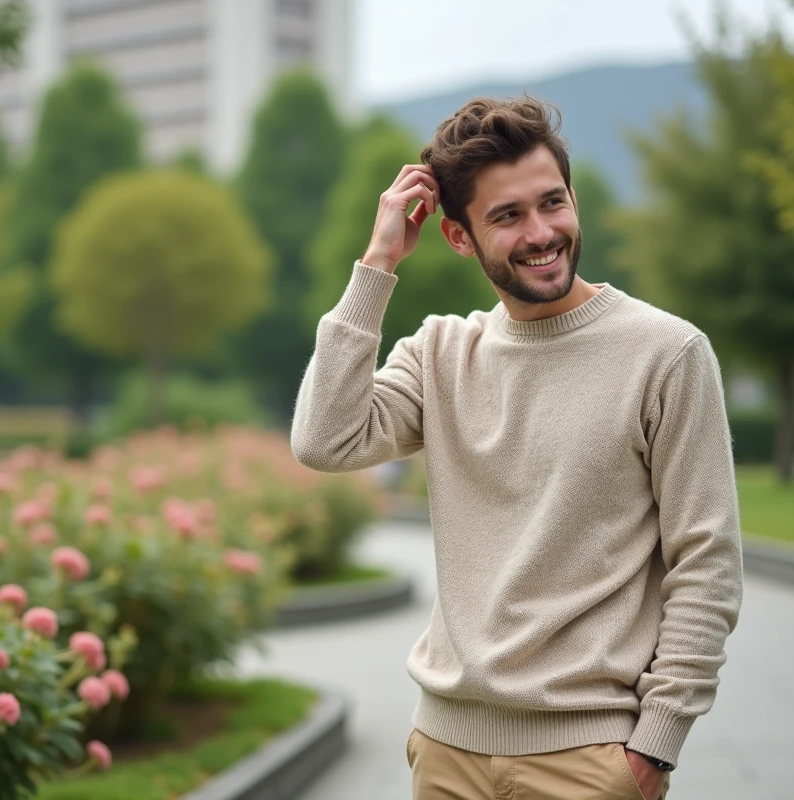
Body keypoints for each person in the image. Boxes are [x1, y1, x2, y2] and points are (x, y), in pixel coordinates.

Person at [291, 96, 743, 800]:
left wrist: (655, 745)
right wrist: (376, 263)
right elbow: (324, 440)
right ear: (460, 237)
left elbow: (707, 561)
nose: (542, 233)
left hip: (590, 760)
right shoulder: (441, 353)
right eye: (507, 216)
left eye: (552, 203)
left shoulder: (668, 353)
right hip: (445, 752)